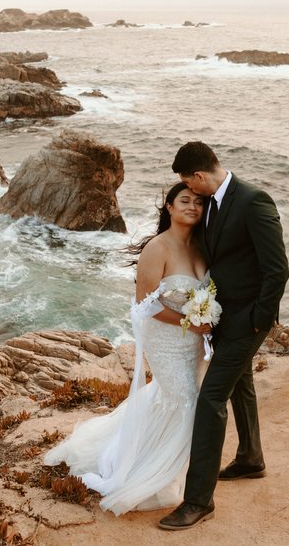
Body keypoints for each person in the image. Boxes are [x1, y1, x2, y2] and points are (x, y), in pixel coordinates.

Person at [43, 182, 213, 515]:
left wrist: (206, 319)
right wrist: (190, 322)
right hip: (166, 339)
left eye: (198, 202)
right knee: (183, 399)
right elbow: (144, 305)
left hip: (195, 343)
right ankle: (153, 473)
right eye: (184, 200)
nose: (192, 206)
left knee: (180, 400)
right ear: (169, 206)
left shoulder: (201, 248)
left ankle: (172, 466)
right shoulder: (157, 248)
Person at [158, 141, 289, 531]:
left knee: (211, 398)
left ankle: (198, 501)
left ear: (198, 176)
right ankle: (251, 457)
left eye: (187, 183)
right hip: (222, 318)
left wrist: (256, 321)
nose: (189, 191)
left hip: (246, 321)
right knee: (240, 383)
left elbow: (277, 269)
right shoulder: (213, 204)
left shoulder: (252, 201)